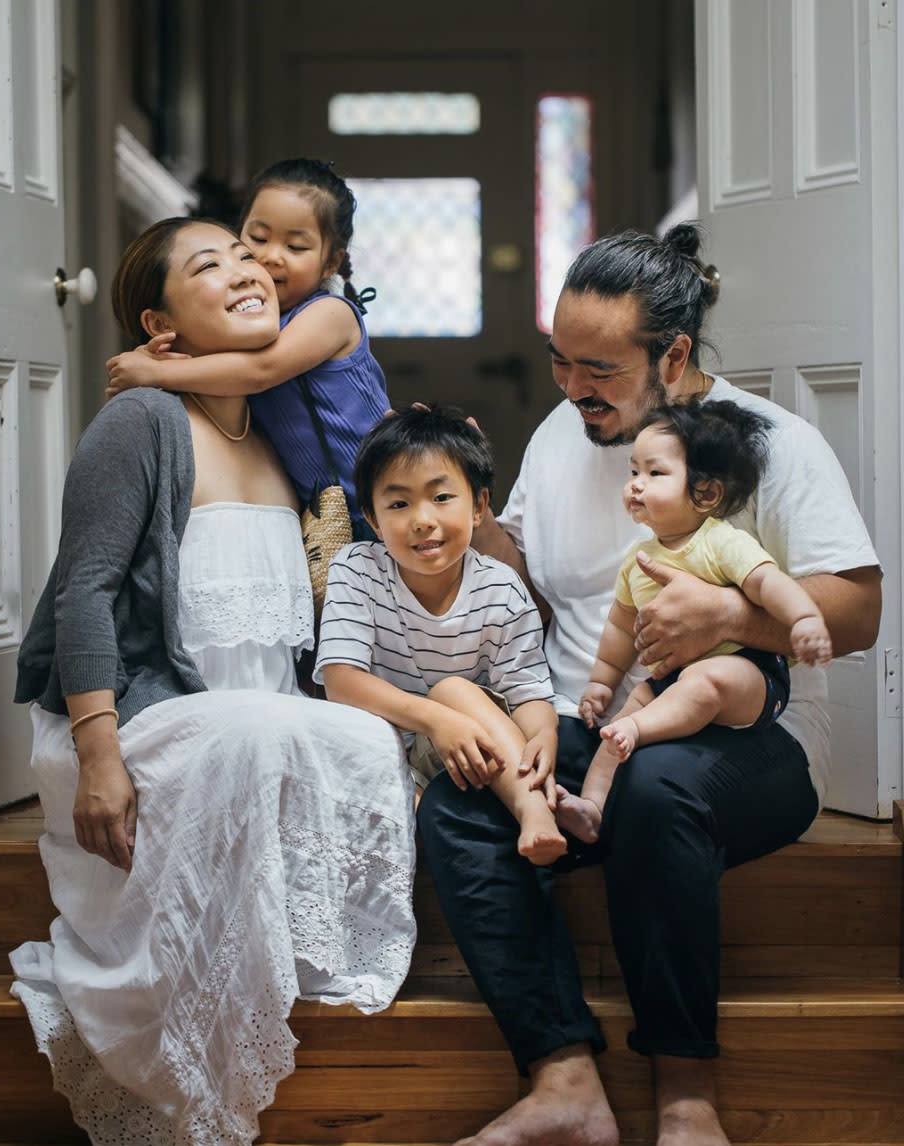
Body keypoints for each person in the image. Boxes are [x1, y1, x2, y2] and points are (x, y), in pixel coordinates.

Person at [416, 224, 881, 1146]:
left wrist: (731, 617)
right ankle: (563, 1083)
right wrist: (470, 507)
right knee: (460, 799)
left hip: (751, 736)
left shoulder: (771, 444)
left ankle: (685, 1096)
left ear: (672, 356)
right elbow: (532, 594)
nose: (573, 389)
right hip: (592, 713)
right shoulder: (558, 434)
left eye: (599, 369)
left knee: (659, 792)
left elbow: (860, 612)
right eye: (559, 362)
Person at [8, 217, 416, 1146]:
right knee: (250, 728)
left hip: (258, 722)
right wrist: (99, 754)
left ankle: (298, 961)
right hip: (135, 725)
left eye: (246, 255)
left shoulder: (283, 429)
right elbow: (85, 590)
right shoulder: (142, 418)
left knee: (362, 736)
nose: (246, 270)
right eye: (211, 264)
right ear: (159, 328)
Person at [558, 399, 832, 844]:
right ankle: (591, 808)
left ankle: (639, 730)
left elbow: (766, 583)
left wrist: (802, 617)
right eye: (633, 473)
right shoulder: (637, 560)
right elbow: (621, 627)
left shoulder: (721, 542)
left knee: (705, 678)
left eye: (655, 474)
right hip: (670, 681)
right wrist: (601, 683)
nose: (636, 486)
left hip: (750, 676)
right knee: (614, 734)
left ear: (705, 493)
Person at [314, 406, 566, 865]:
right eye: (398, 504)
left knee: (455, 690)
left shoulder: (501, 587)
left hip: (474, 752)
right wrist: (435, 720)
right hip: (383, 751)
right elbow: (341, 681)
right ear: (372, 520)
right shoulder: (357, 569)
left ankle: (537, 809)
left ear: (479, 507)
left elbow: (527, 693)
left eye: (441, 497)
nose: (422, 519)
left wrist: (543, 737)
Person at [105, 157, 387, 539]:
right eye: (257, 239)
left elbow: (259, 372)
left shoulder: (331, 314)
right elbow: (218, 365)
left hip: (388, 498)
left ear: (330, 263)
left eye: (296, 245)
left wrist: (153, 371)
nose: (272, 255)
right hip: (333, 521)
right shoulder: (251, 330)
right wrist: (153, 352)